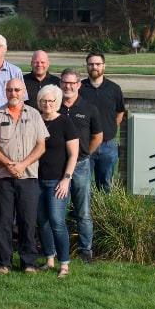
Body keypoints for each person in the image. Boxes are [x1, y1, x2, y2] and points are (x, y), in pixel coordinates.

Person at [0, 78, 47, 274]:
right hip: (3, 177)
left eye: (17, 90)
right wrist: (9, 165)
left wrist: (22, 165)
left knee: (27, 221)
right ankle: (3, 263)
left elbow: (41, 146)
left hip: (28, 176)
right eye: (10, 90)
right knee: (2, 221)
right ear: (5, 92)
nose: (14, 93)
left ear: (24, 91)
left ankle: (28, 262)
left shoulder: (34, 114)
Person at [57, 68, 103, 264]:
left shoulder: (89, 108)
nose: (68, 86)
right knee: (58, 210)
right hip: (57, 166)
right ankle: (60, 249)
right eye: (65, 82)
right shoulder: (53, 105)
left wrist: (83, 155)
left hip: (81, 166)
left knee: (83, 211)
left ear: (78, 85)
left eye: (71, 83)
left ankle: (85, 250)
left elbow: (97, 136)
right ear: (60, 84)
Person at [35, 84, 78, 278]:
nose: (47, 104)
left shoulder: (65, 123)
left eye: (51, 101)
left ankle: (64, 264)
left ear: (57, 102)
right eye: (43, 101)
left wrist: (66, 179)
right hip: (36, 180)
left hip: (57, 181)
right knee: (42, 222)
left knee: (57, 222)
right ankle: (49, 259)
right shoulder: (36, 120)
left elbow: (73, 155)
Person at [80, 51, 126, 190]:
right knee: (82, 185)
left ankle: (102, 212)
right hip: (85, 145)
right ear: (87, 66)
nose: (94, 67)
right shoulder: (79, 88)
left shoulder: (114, 89)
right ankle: (82, 212)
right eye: (91, 64)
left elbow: (120, 113)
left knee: (105, 185)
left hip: (108, 146)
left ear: (104, 66)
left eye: (98, 64)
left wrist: (108, 128)